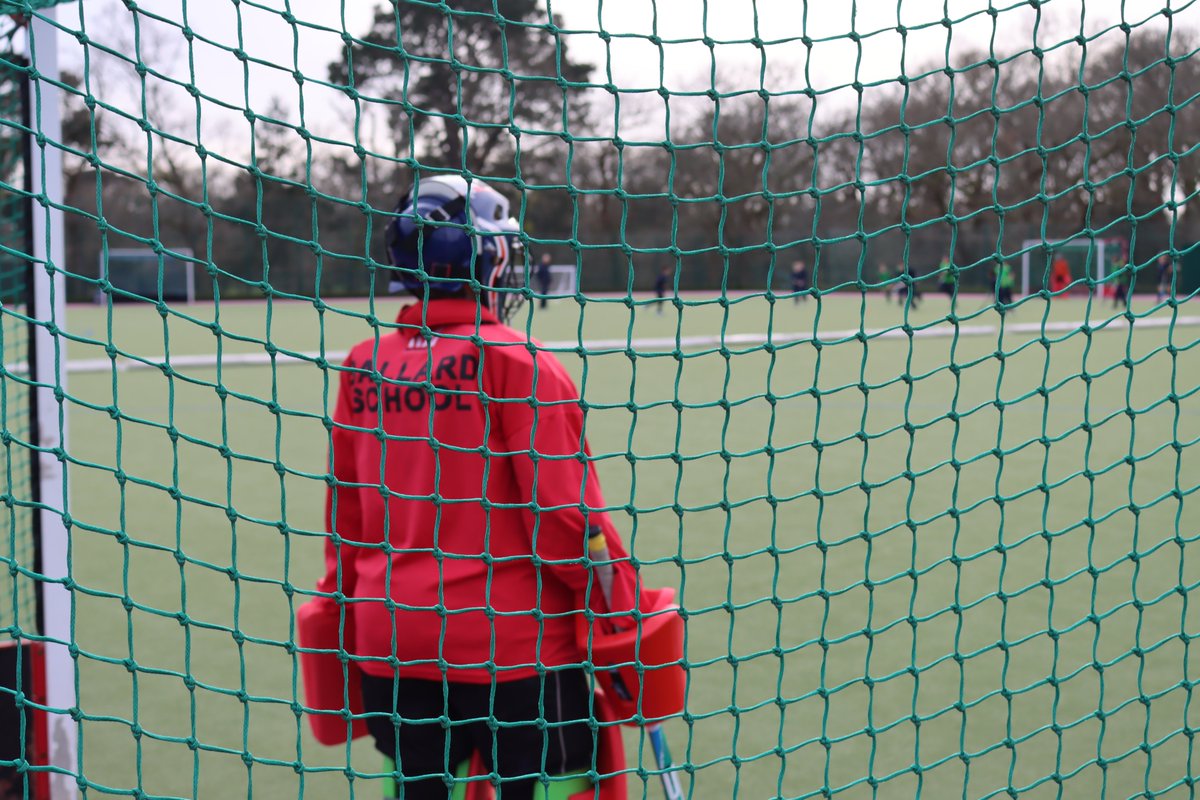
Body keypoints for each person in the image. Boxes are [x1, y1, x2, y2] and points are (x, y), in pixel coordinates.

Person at [319, 175, 642, 799]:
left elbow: (347, 521)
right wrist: (620, 608)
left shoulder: (363, 366)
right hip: (515, 655)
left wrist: (345, 614)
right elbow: (569, 522)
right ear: (487, 258)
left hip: (392, 643)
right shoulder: (519, 362)